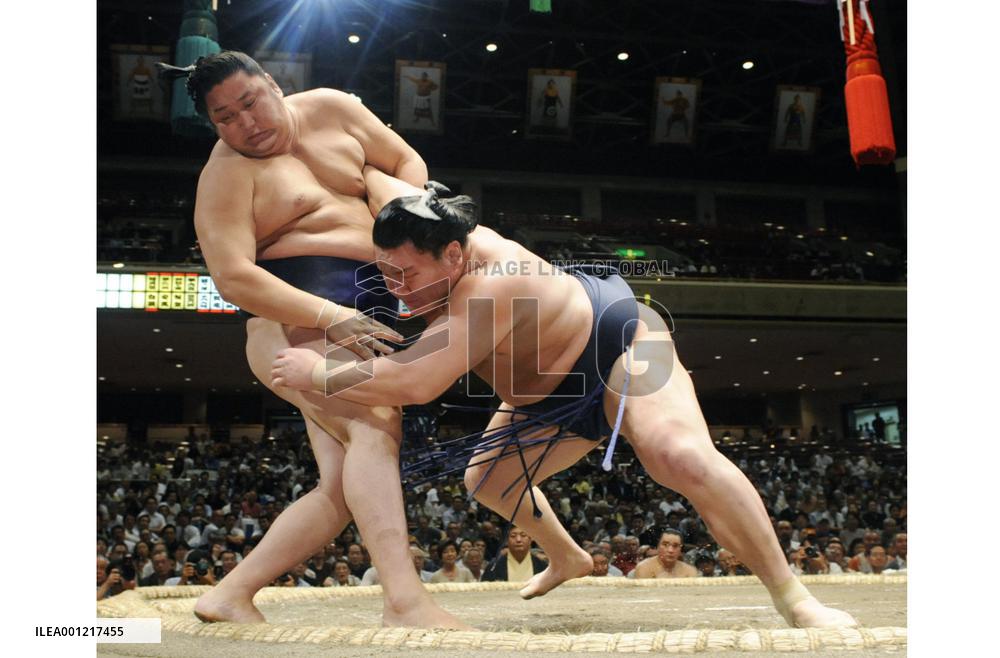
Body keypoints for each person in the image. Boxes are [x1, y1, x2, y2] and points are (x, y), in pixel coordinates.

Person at [271, 171, 857, 628]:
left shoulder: (490, 282)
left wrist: (319, 373)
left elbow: (414, 382)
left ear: (453, 254)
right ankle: (570, 557)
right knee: (490, 482)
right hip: (548, 396)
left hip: (622, 341)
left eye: (406, 274)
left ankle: (793, 595)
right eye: (386, 273)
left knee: (674, 454)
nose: (396, 289)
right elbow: (376, 163)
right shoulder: (422, 235)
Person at [161, 50, 464, 629]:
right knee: (373, 421)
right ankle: (403, 600)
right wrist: (331, 316)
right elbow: (232, 276)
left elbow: (405, 158)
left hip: (374, 311)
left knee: (337, 488)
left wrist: (401, 217)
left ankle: (229, 595)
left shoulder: (334, 109)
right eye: (225, 118)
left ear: (272, 84)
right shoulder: (225, 175)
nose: (246, 124)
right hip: (294, 323)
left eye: (250, 102)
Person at [481, 527, 548, 582]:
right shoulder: (493, 567)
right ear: (507, 541)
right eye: (513, 536)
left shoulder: (542, 566)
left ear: (530, 539)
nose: (518, 540)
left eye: (523, 535)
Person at [632, 530, 698, 579]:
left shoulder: (690, 571)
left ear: (680, 550)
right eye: (665, 545)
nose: (670, 550)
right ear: (658, 547)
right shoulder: (644, 568)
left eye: (675, 546)